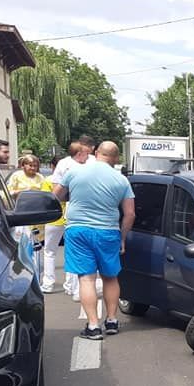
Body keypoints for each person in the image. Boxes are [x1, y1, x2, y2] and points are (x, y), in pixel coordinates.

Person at [53, 141, 135, 340]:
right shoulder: (122, 180)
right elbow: (130, 214)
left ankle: (93, 326)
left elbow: (55, 197)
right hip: (108, 232)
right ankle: (113, 321)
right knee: (110, 277)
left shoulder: (74, 172)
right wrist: (122, 238)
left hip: (78, 230)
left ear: (96, 153)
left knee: (87, 278)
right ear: (116, 158)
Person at [44, 141, 92, 295]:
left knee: (50, 250)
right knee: (74, 249)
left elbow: (56, 192)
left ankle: (48, 283)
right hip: (80, 210)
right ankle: (71, 286)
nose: (88, 154)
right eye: (86, 151)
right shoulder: (91, 164)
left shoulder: (63, 164)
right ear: (79, 152)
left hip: (62, 210)